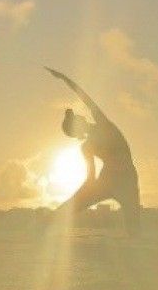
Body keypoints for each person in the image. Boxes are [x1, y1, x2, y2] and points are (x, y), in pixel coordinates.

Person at [46, 67, 141, 236]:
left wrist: (64, 78)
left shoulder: (100, 127)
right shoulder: (93, 138)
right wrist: (78, 199)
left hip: (124, 179)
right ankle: (47, 224)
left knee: (134, 229)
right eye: (76, 120)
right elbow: (90, 179)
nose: (80, 117)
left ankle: (48, 222)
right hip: (114, 180)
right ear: (77, 129)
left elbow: (84, 98)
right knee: (133, 227)